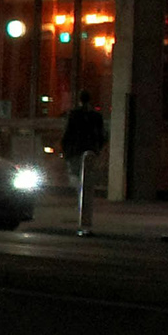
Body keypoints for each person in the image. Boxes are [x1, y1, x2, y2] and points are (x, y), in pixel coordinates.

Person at [61, 90, 108, 234]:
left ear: (79, 100)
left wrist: (66, 151)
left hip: (76, 151)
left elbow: (68, 134)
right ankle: (85, 204)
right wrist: (97, 149)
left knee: (76, 176)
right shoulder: (96, 116)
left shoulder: (74, 115)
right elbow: (102, 135)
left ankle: (81, 202)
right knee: (88, 179)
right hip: (90, 151)